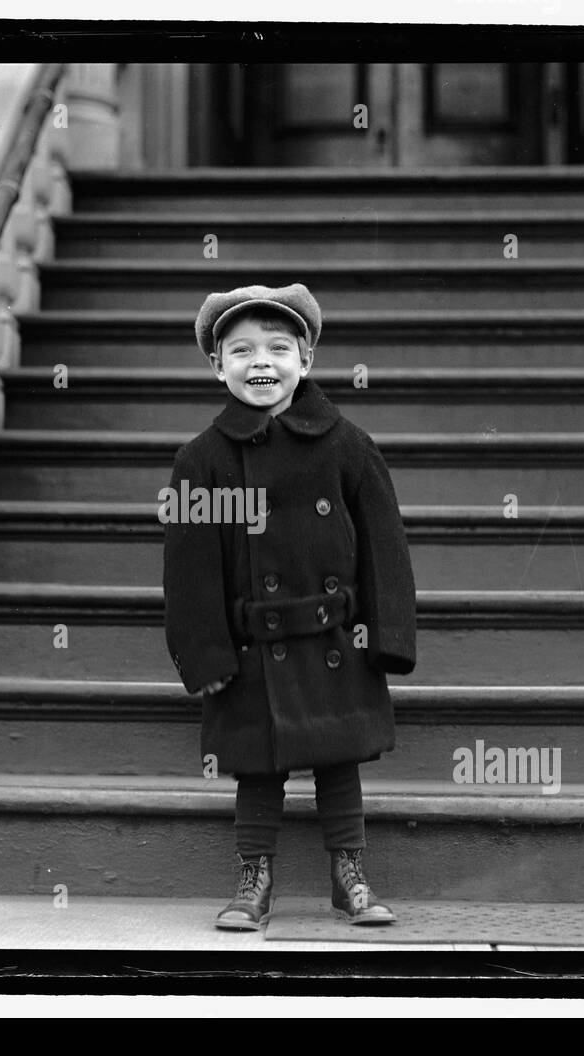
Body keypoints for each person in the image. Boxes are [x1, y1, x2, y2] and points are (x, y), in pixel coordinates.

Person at [162, 283, 418, 930]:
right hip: (253, 648)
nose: (261, 363)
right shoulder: (205, 461)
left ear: (305, 360)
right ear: (217, 366)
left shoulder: (347, 446)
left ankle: (350, 873)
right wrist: (206, 653)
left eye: (279, 347)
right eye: (241, 350)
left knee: (339, 759)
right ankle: (254, 878)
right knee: (257, 765)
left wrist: (386, 636)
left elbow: (385, 546)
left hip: (335, 641)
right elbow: (190, 572)